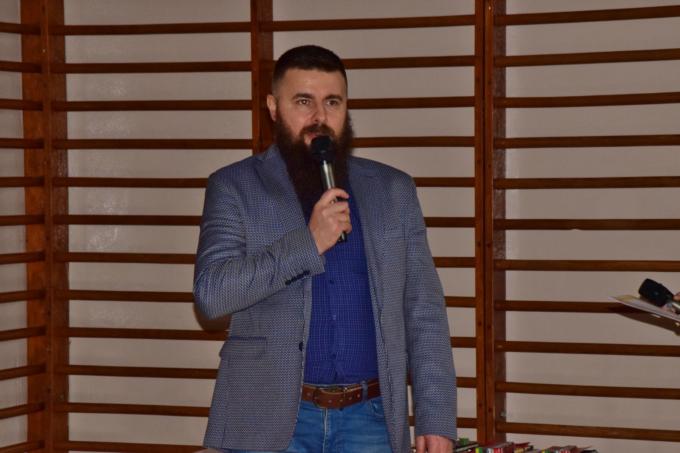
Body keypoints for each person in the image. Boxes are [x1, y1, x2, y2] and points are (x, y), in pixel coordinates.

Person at [193, 45, 457, 453]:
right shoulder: (235, 186)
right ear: (273, 107)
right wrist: (309, 242)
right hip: (265, 422)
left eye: (332, 102)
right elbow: (212, 295)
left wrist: (436, 417)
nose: (319, 117)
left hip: (369, 421)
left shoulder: (393, 190)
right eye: (304, 101)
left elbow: (424, 309)